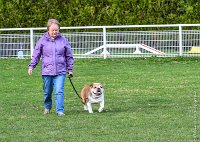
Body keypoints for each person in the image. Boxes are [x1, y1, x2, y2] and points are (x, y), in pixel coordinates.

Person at [28, 19, 74, 116]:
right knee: (47, 92)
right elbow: (36, 55)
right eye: (52, 30)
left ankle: (60, 110)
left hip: (60, 71)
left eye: (56, 30)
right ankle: (47, 107)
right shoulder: (42, 40)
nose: (54, 32)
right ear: (48, 30)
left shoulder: (63, 40)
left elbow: (69, 56)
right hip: (47, 71)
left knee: (59, 91)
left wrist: (70, 69)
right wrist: (32, 66)